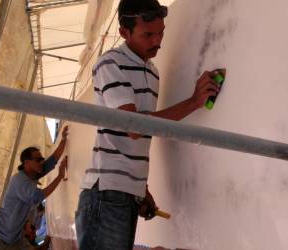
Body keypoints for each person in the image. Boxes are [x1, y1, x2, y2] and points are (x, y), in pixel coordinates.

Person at [75, 0, 220, 249]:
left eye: (161, 32)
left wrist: (139, 187)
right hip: (107, 194)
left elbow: (136, 136)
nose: (157, 41)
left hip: (124, 194)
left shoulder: (151, 72)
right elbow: (134, 127)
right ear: (123, 32)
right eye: (148, 35)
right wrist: (194, 102)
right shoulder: (109, 63)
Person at [0, 126, 69, 250]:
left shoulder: (31, 176)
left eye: (41, 159)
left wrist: (63, 140)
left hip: (13, 238)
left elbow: (50, 162)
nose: (41, 162)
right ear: (27, 162)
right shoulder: (20, 180)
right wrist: (60, 176)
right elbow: (37, 196)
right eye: (38, 160)